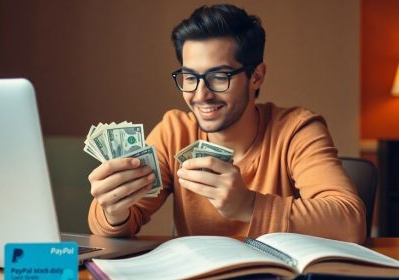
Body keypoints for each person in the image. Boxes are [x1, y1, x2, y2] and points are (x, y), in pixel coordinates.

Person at [87, 4, 366, 243]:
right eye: (189, 77)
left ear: (256, 76)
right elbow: (119, 224)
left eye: (219, 77)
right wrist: (114, 211)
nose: (200, 94)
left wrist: (249, 205)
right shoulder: (174, 132)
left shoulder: (297, 129)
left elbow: (350, 221)